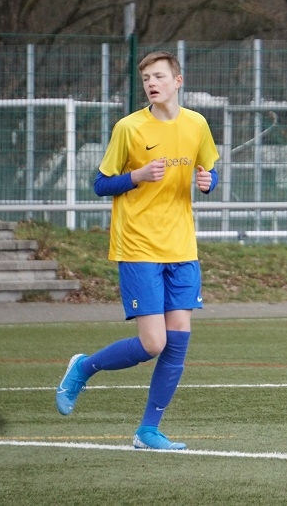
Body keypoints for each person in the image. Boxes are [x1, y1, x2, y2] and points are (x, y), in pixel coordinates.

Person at [55, 50, 220, 451]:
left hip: (181, 246)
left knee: (178, 339)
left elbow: (210, 170)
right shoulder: (128, 128)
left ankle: (148, 431)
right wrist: (137, 176)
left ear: (177, 81)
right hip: (138, 244)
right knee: (153, 343)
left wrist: (208, 182)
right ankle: (84, 368)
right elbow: (100, 184)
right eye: (146, 78)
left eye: (159, 76)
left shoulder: (197, 124)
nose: (151, 83)